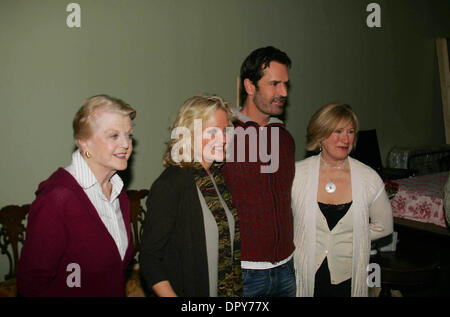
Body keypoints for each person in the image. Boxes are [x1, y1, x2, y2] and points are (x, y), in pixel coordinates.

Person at [17, 95, 136, 297]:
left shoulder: (117, 192)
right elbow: (32, 286)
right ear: (84, 143)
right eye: (114, 136)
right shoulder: (58, 198)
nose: (126, 144)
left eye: (129, 135)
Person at [139, 95, 242, 297]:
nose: (223, 139)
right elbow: (149, 258)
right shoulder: (171, 184)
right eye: (212, 132)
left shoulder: (218, 178)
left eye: (225, 131)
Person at [292, 103, 393, 297]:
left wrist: (355, 236)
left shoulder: (368, 178)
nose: (345, 139)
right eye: (338, 131)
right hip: (304, 275)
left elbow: (385, 226)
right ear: (321, 134)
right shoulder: (297, 174)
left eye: (350, 132)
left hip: (348, 276)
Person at [222, 46, 296, 297]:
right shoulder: (225, 136)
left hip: (287, 268)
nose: (283, 92)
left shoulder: (285, 139)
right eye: (274, 84)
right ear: (250, 86)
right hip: (244, 273)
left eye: (285, 84)